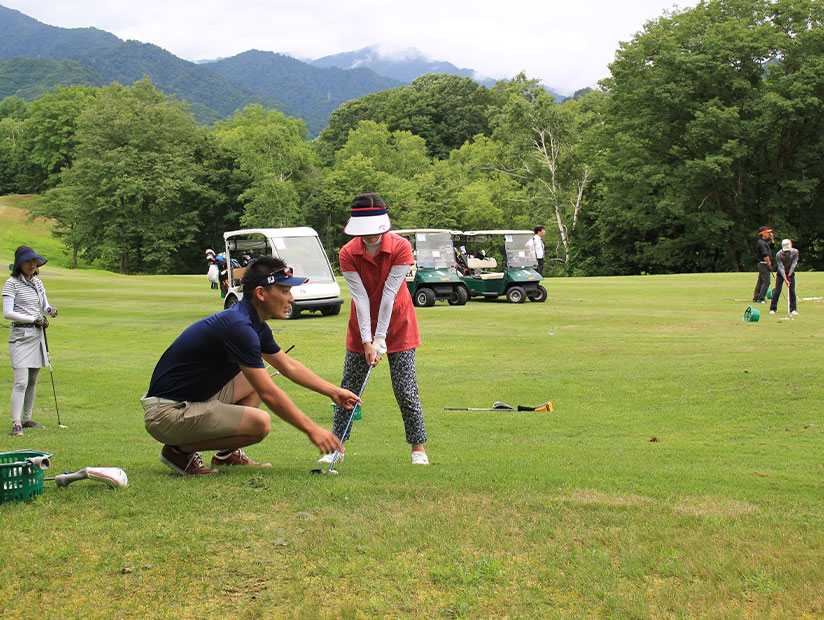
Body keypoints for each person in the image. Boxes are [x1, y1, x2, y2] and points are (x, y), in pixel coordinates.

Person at [141, 256, 359, 476]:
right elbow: (269, 393)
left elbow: (288, 366)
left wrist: (334, 392)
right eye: (284, 291)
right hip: (167, 413)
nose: (291, 299)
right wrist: (312, 430)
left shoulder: (253, 324)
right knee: (260, 424)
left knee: (258, 376)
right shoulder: (239, 328)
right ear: (261, 294)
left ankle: (226, 454)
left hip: (189, 401)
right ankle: (178, 452)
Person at [318, 193, 429, 465]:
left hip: (399, 323)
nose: (367, 237)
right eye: (362, 231)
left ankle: (418, 449)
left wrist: (381, 339)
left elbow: (389, 294)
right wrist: (368, 341)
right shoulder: (347, 253)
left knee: (405, 389)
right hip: (361, 326)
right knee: (349, 388)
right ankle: (337, 447)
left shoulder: (401, 247)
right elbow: (361, 299)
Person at [3, 246, 58, 436]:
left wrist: (50, 310)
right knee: (20, 382)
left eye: (34, 262)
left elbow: (43, 306)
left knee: (33, 380)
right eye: (28, 262)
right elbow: (8, 313)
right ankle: (16, 422)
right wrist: (32, 319)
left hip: (36, 336)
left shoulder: (38, 283)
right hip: (20, 336)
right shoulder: (11, 283)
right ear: (20, 264)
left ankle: (27, 419)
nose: (32, 265)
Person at [769, 239, 800, 316]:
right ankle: (772, 309)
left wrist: (790, 274)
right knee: (777, 290)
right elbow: (781, 267)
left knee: (792, 291)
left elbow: (794, 263)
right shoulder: (778, 254)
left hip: (791, 272)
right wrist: (785, 279)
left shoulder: (795, 252)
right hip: (781, 273)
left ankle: (793, 309)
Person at [752, 226, 774, 303]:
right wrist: (769, 264)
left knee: (760, 281)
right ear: (763, 233)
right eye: (768, 233)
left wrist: (772, 239)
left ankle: (756, 297)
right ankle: (761, 298)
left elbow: (770, 247)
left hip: (763, 264)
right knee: (766, 282)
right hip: (764, 264)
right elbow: (765, 255)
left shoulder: (763, 242)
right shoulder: (761, 243)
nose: (769, 234)